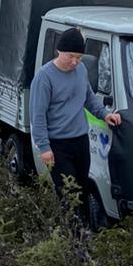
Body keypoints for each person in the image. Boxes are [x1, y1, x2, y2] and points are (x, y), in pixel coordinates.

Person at [29, 26, 121, 213]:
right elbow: (37, 116)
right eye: (70, 56)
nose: (74, 62)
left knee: (83, 189)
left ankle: (84, 234)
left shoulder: (81, 70)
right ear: (59, 51)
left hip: (80, 141)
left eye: (78, 57)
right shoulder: (44, 78)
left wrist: (105, 114)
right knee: (68, 193)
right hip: (58, 145)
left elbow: (88, 97)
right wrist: (44, 148)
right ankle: (69, 236)